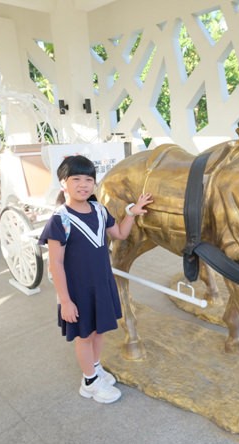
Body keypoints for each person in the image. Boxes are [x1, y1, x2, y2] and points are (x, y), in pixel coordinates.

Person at [38, 155, 153, 404]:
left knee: (99, 332)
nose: (83, 184)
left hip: (101, 285)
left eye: (89, 179)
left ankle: (95, 368)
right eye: (76, 179)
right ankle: (89, 382)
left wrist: (131, 212)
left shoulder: (100, 210)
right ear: (63, 183)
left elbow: (120, 234)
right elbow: (55, 263)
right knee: (85, 336)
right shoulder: (60, 219)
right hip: (78, 291)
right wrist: (66, 302)